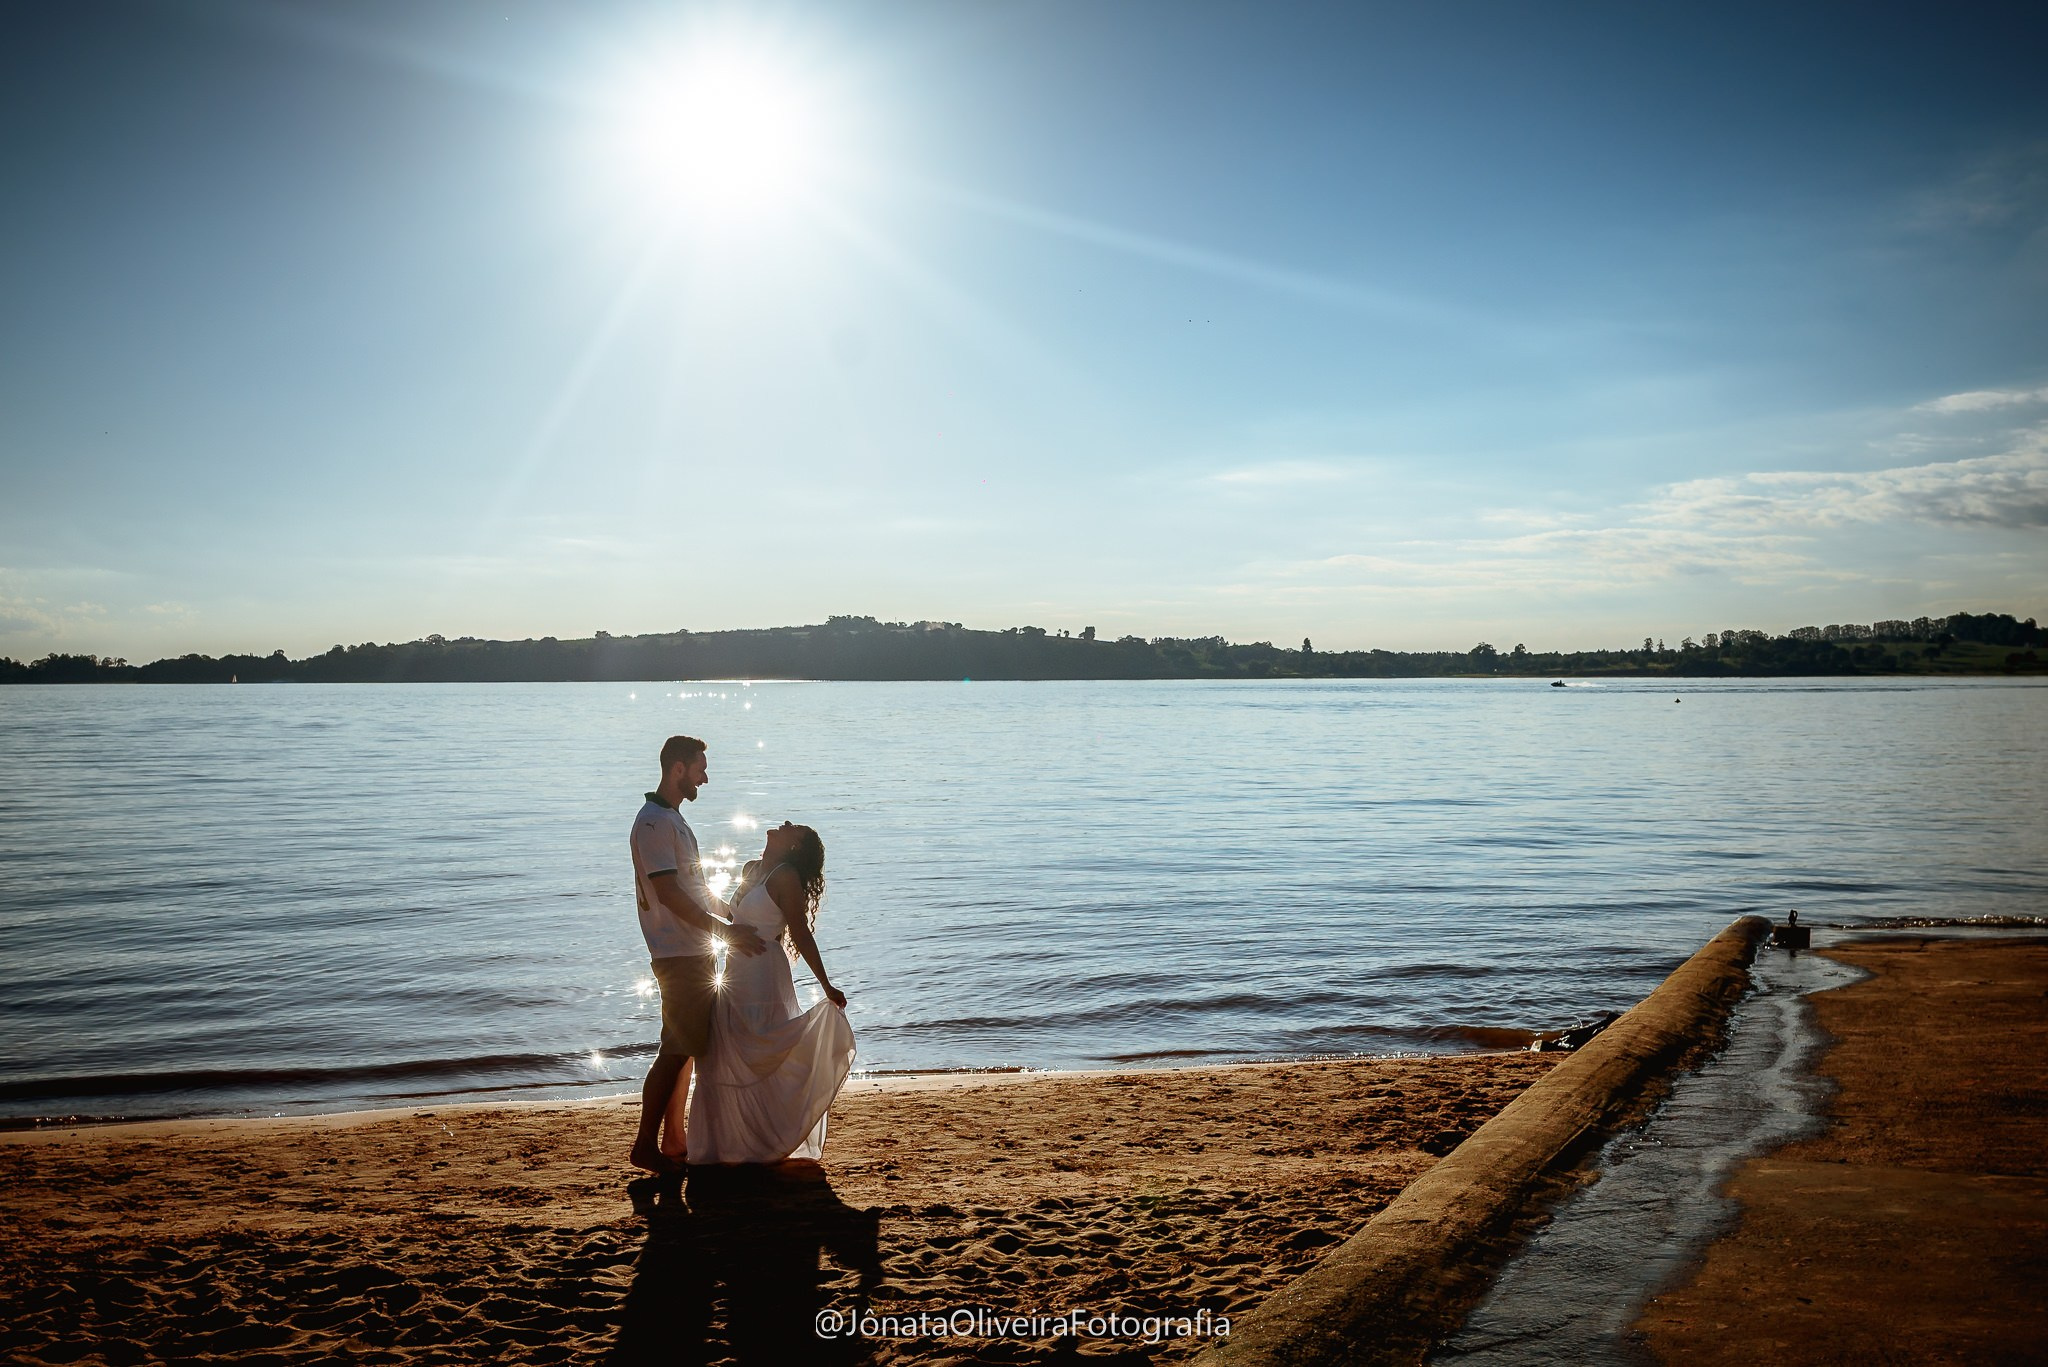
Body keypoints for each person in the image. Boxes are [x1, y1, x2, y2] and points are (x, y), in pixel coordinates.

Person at [628, 734, 768, 1175]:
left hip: (693, 950)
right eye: (699, 769)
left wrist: (732, 913)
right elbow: (669, 894)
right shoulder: (653, 823)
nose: (705, 778)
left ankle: (673, 1141)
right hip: (676, 952)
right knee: (675, 1048)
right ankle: (644, 1146)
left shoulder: (674, 820)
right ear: (677, 769)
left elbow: (694, 887)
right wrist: (725, 933)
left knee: (686, 1047)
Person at [680, 820, 856, 1164]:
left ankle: (763, 1140)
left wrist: (825, 983)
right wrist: (694, 892)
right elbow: (733, 915)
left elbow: (800, 933)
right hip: (736, 969)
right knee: (726, 1049)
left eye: (795, 829)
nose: (786, 823)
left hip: (764, 972)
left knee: (760, 1047)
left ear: (794, 847)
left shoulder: (786, 876)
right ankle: (730, 1142)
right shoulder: (752, 868)